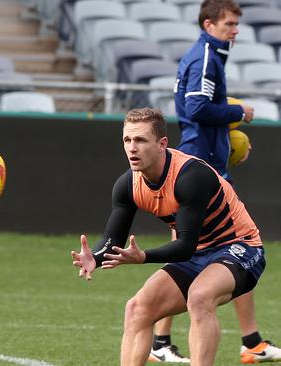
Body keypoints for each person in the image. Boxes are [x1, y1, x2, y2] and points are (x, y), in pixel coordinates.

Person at [71, 107, 266, 366]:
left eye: (140, 140)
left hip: (238, 246)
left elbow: (185, 246)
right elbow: (113, 238)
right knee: (137, 309)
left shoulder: (190, 176)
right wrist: (95, 256)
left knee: (199, 296)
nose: (132, 148)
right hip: (199, 251)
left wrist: (143, 257)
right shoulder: (128, 184)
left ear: (162, 144)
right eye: (127, 140)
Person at [150, 0, 281, 362]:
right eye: (229, 24)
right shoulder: (206, 55)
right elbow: (194, 108)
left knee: (207, 250)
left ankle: (243, 339)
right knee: (234, 244)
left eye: (237, 24)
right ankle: (243, 341)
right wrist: (238, 112)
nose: (235, 30)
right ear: (209, 25)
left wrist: (227, 138)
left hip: (203, 162)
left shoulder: (207, 53)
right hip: (201, 167)